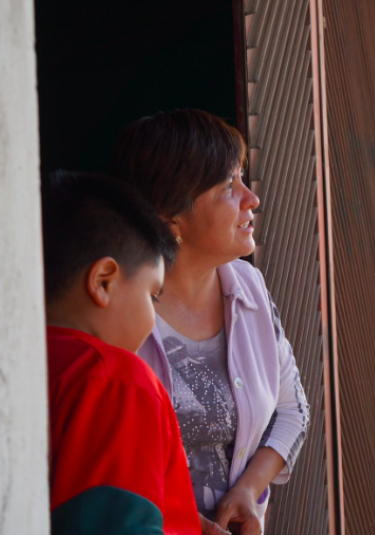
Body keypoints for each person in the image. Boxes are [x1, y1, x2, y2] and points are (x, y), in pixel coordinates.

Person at [111, 109, 310, 535]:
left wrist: (248, 492)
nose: (250, 198)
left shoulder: (249, 286)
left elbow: (292, 410)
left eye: (241, 177)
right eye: (227, 187)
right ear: (171, 218)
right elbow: (104, 457)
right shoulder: (117, 310)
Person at [42, 172, 204, 535]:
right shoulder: (116, 379)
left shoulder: (17, 364)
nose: (153, 316)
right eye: (152, 295)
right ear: (103, 281)